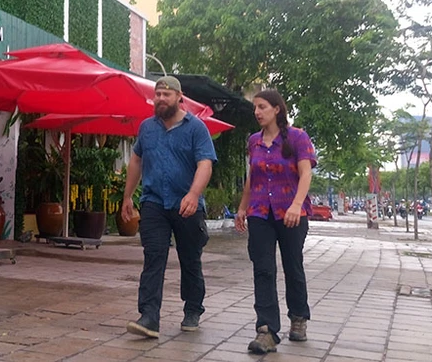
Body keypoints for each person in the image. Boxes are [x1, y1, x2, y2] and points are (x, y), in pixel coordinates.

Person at [122, 76, 217, 339]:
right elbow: (136, 161)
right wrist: (127, 196)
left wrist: (194, 194)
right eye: (158, 94)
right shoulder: (146, 128)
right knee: (153, 257)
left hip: (187, 205)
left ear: (179, 97)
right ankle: (149, 316)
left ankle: (193, 309)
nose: (161, 99)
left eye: (166, 94)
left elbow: (205, 163)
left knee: (190, 259)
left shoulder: (196, 128)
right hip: (154, 202)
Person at [234, 88, 317, 354]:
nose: (257, 112)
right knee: (263, 269)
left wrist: (296, 204)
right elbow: (253, 177)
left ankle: (299, 317)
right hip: (260, 213)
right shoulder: (254, 141)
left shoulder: (298, 137)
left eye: (262, 107)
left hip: (291, 213)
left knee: (293, 266)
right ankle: (267, 330)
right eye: (255, 108)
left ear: (277, 109)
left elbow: (305, 173)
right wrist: (242, 208)